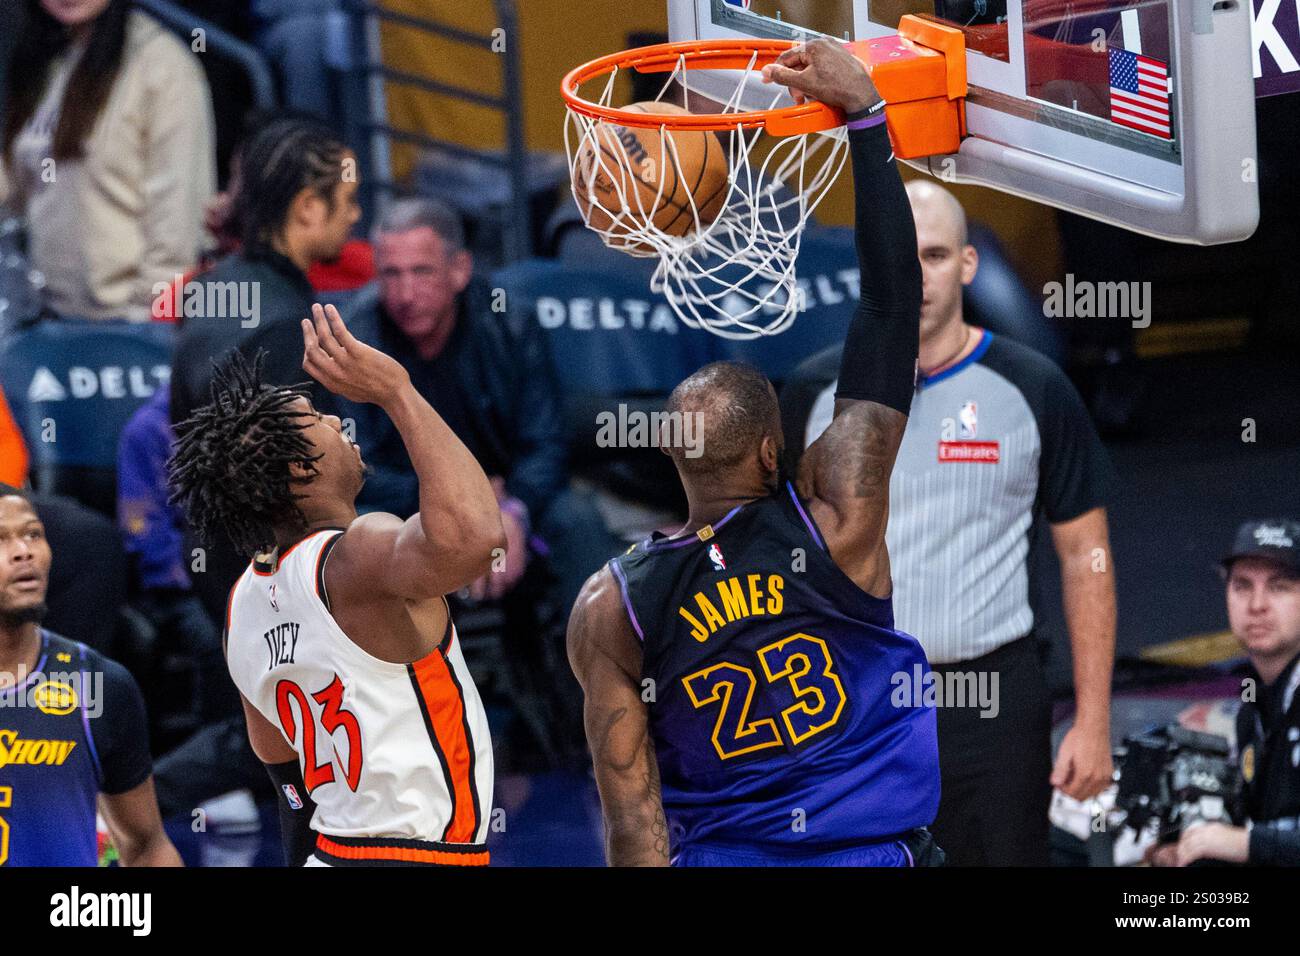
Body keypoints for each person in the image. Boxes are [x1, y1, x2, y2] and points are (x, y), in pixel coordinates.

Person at [567, 41, 942, 867]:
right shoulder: (838, 523)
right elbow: (890, 307)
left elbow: (632, 817)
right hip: (868, 852)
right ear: (776, 451)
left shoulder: (614, 605)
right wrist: (866, 118)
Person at [798, 179, 1117, 866]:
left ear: (969, 265)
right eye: (900, 258)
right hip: (853, 706)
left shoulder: (1035, 388)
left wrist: (1092, 722)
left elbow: (1086, 555)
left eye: (936, 255)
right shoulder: (814, 394)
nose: (917, 277)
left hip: (995, 705)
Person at [167, 304, 505, 867]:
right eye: (315, 419)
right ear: (300, 469)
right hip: (413, 857)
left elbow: (289, 785)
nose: (335, 423)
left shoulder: (242, 607)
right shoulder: (360, 551)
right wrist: (399, 393)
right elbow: (476, 538)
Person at [343, 197, 622, 616]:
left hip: (509, 496)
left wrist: (512, 509)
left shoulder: (509, 321)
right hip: (407, 506)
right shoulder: (356, 338)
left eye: (422, 272)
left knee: (576, 521)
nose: (405, 293)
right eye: (391, 274)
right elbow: (357, 467)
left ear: (459, 270)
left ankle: (589, 673)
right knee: (353, 531)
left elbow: (546, 441)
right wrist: (459, 502)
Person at [170, 115, 361, 628]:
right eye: (348, 199)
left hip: (218, 563)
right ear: (308, 208)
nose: (356, 214)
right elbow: (306, 488)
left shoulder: (213, 289)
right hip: (281, 580)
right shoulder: (283, 329)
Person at [0, 483, 181, 866]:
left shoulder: (98, 685)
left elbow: (147, 846)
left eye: (34, 534)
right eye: (1, 540)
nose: (24, 551)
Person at [0, 0, 215, 321]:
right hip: (42, 321)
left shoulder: (163, 65)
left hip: (130, 324)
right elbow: (13, 196)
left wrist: (147, 320)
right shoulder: (43, 56)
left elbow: (179, 217)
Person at [1149, 520, 1300, 867]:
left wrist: (1245, 844)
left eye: (1279, 587)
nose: (1257, 604)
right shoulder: (1253, 704)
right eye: (1242, 586)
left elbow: (1252, 841)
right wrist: (1185, 847)